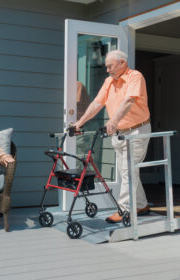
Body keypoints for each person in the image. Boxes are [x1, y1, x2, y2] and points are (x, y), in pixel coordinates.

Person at [74, 50, 151, 223]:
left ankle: (124, 210)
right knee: (127, 172)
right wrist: (80, 122)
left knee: (128, 171)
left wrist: (114, 120)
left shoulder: (135, 77)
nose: (107, 70)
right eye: (107, 67)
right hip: (120, 132)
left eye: (110, 66)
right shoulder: (109, 81)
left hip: (136, 130)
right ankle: (141, 204)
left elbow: (129, 101)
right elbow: (97, 103)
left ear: (122, 63)